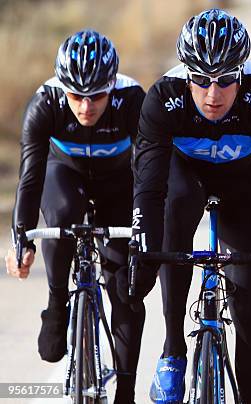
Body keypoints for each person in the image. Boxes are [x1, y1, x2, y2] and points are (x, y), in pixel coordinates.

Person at [125, 9, 251, 404]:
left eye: (225, 81)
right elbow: (149, 188)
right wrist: (142, 250)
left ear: (241, 74)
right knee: (174, 214)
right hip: (185, 179)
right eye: (201, 80)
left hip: (246, 185)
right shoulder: (163, 97)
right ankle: (173, 347)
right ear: (186, 75)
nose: (212, 94)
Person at [5, 30, 146, 403]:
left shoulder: (132, 100)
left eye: (97, 95)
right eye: (77, 96)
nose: (86, 107)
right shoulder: (45, 101)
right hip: (63, 173)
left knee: (124, 287)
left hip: (119, 181)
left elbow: (149, 176)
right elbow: (31, 175)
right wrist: (21, 238)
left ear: (112, 86)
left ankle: (127, 390)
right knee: (61, 217)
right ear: (62, 88)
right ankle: (56, 302)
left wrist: (145, 230)